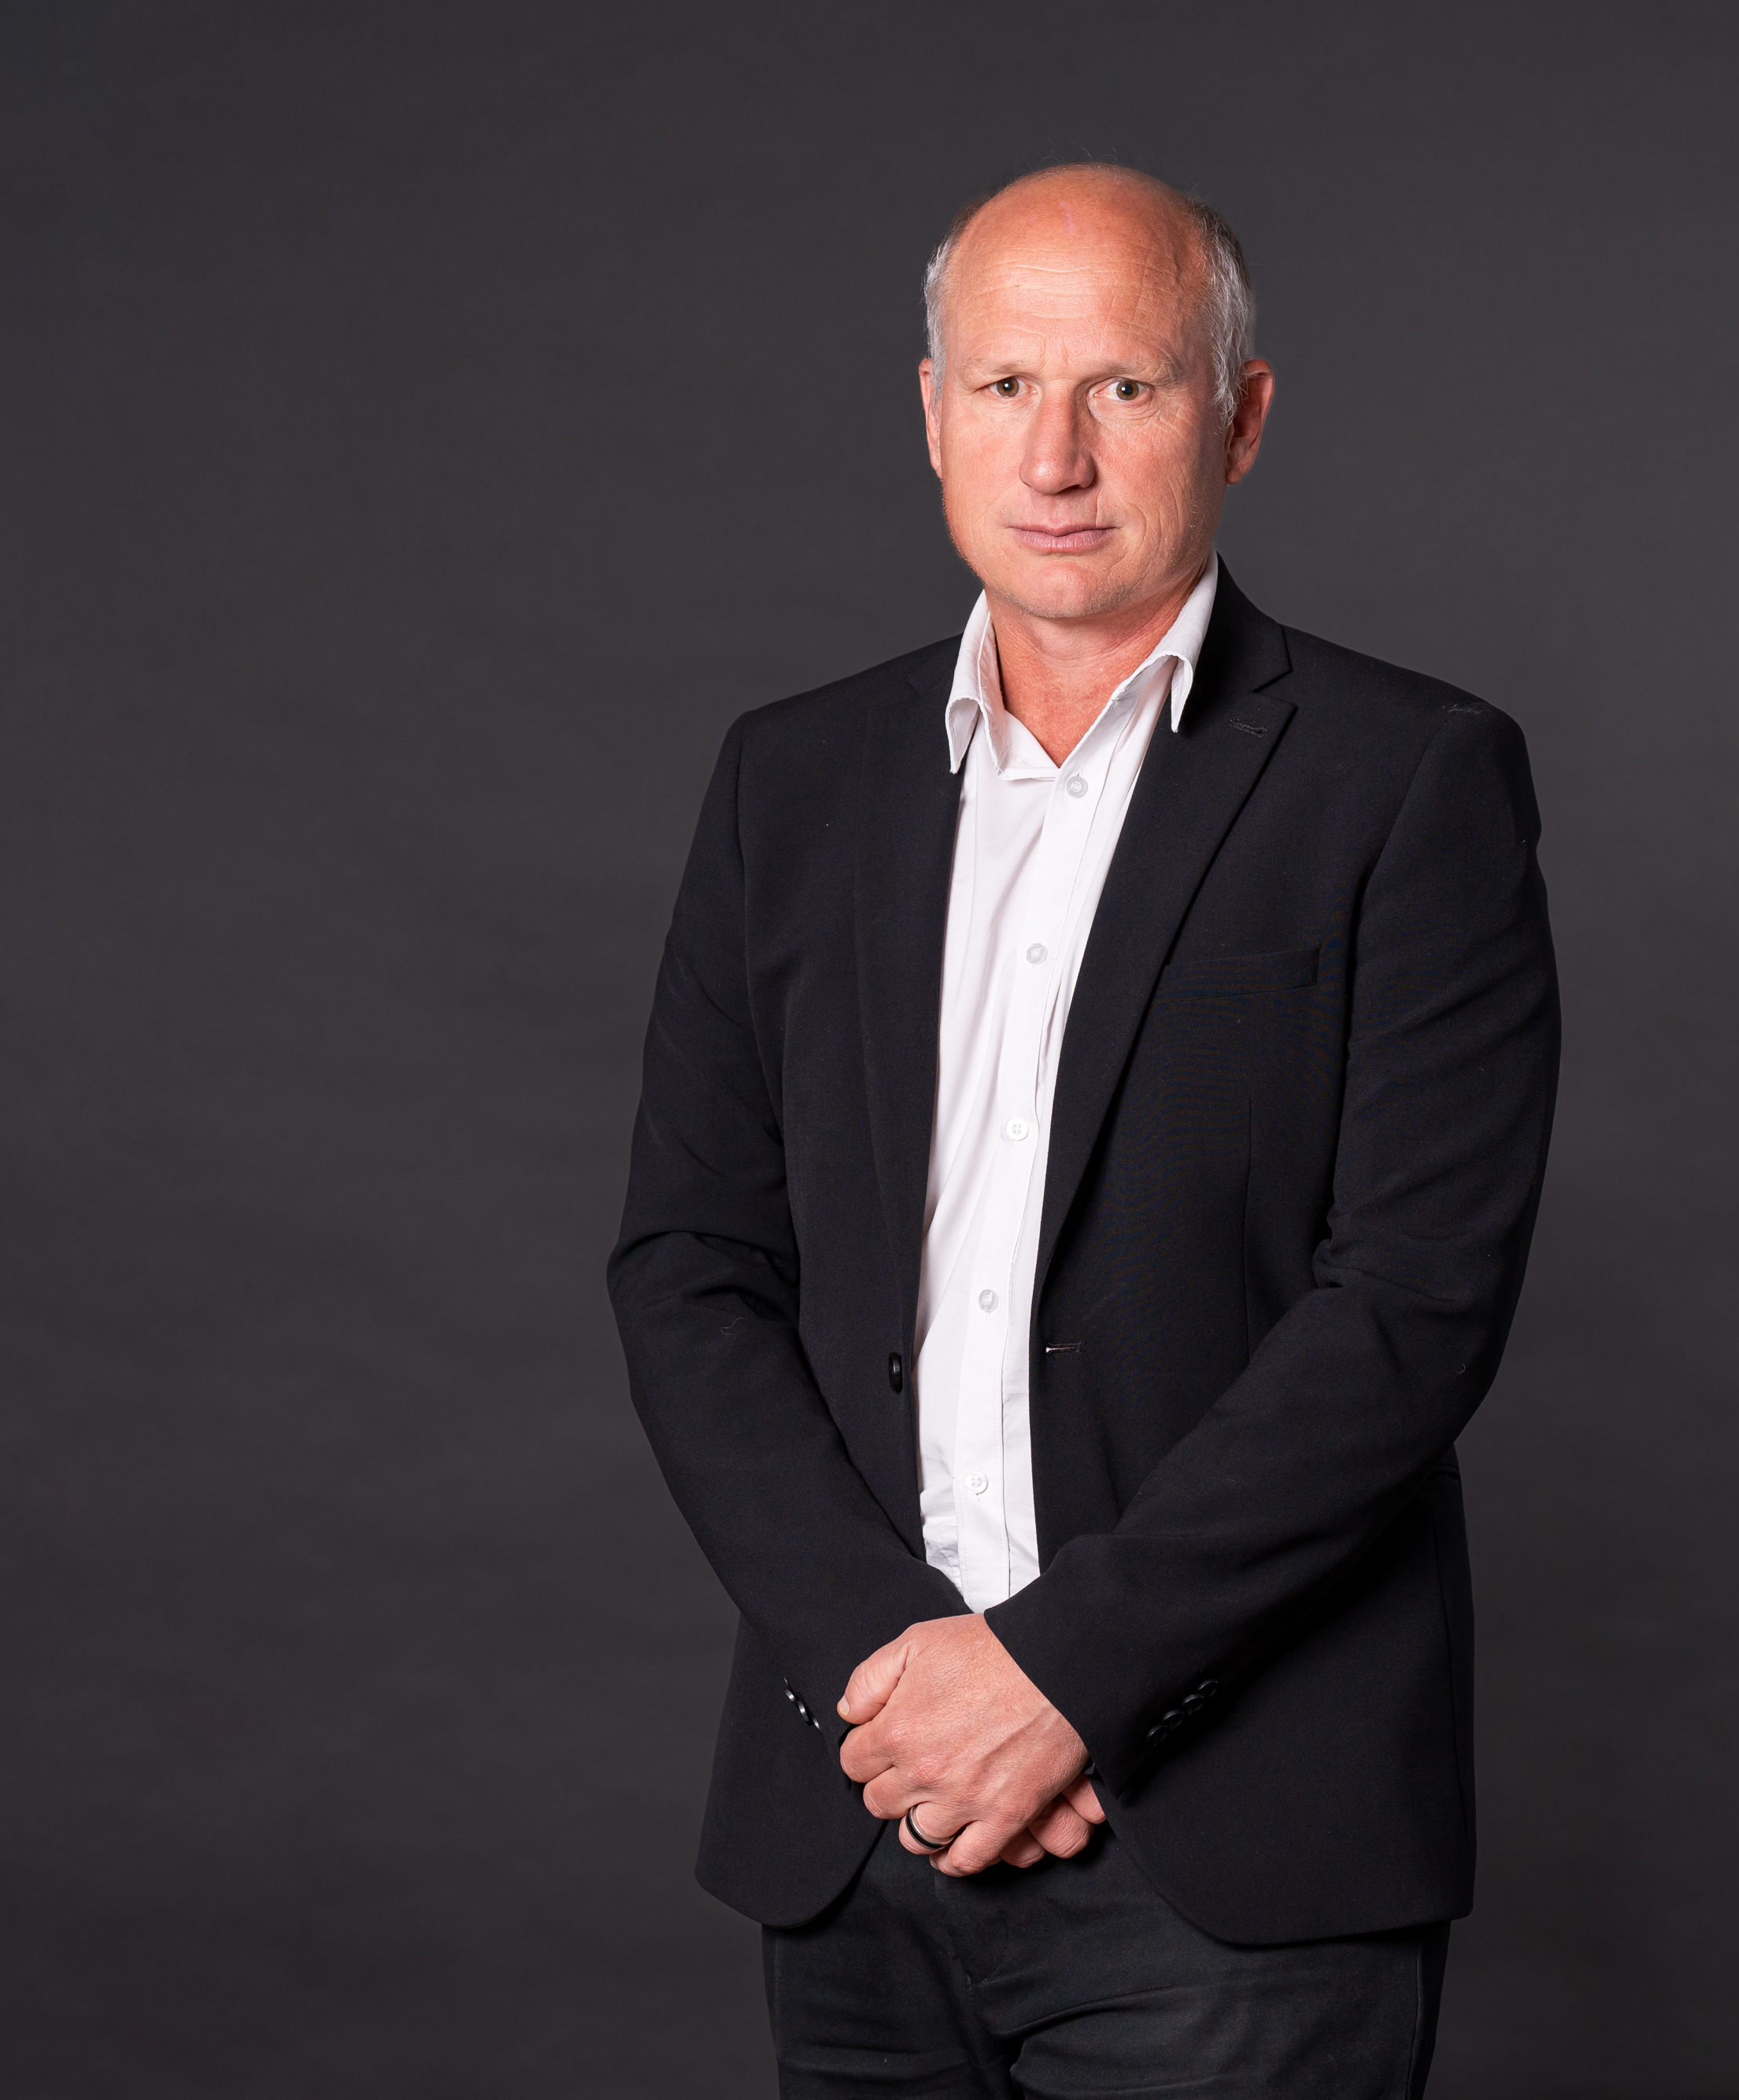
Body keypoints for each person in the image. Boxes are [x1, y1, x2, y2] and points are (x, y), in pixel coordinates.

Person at [609, 161, 1559, 2097]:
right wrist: (901, 1673)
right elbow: (690, 1264)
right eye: (1001, 385)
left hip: (1230, 1858)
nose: (1052, 454)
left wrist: (1055, 1679)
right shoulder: (790, 780)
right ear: (930, 411)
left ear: (1239, 415)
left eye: (1122, 386)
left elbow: (1409, 1307)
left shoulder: (1407, 778)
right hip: (863, 1815)